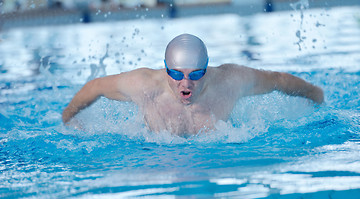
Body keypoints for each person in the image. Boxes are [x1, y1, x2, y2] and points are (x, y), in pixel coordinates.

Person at [62, 33, 324, 136]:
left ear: (207, 68)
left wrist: (316, 95)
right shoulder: (143, 84)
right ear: (165, 69)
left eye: (196, 74)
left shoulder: (230, 80)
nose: (185, 84)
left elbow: (278, 80)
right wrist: (68, 117)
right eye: (176, 75)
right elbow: (95, 86)